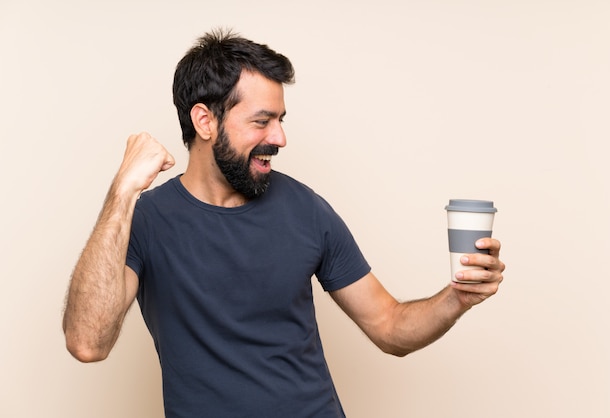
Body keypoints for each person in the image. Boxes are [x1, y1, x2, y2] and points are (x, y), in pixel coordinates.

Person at [62, 28, 505, 418]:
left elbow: (389, 327)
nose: (279, 137)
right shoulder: (143, 221)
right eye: (262, 121)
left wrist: (458, 297)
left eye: (280, 120)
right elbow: (88, 343)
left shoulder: (306, 210)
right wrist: (122, 191)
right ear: (205, 121)